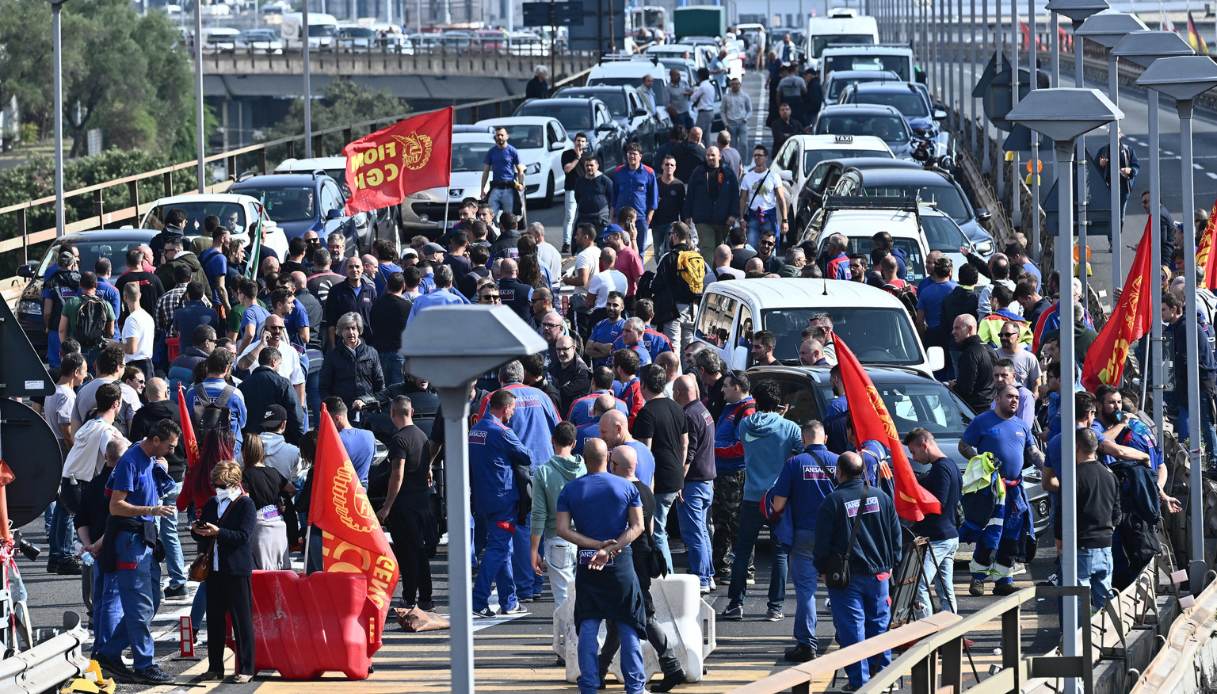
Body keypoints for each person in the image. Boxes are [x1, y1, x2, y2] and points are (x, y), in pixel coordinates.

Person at [555, 436, 646, 694]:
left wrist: (595, 546)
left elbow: (562, 529)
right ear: (608, 458)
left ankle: (589, 685)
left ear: (584, 460)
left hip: (588, 560)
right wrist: (610, 548)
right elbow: (638, 526)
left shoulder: (570, 490)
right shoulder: (627, 487)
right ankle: (635, 687)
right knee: (628, 622)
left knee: (588, 622)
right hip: (620, 561)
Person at [94, 419, 180, 684]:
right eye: (170, 446)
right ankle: (144, 664)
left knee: (151, 602)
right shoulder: (131, 461)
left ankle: (109, 653)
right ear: (155, 440)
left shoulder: (148, 459)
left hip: (145, 540)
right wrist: (151, 510)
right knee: (139, 606)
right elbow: (115, 506)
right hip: (131, 542)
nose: (172, 452)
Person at [597, 445, 688, 693]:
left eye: (611, 463)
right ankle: (599, 670)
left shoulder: (621, 491)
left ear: (616, 466)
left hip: (629, 560)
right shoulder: (646, 490)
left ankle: (672, 666)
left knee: (643, 615)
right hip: (644, 556)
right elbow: (650, 527)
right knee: (619, 618)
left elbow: (620, 528)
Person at [813, 451, 902, 690]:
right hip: (880, 574)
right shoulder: (882, 497)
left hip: (847, 578)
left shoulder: (833, 501)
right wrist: (893, 563)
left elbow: (821, 543)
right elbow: (896, 534)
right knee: (879, 626)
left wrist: (822, 568)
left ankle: (860, 683)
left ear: (839, 472)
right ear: (863, 471)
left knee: (852, 629)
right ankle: (883, 677)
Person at [722, 380, 801, 622]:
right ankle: (775, 607)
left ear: (756, 400)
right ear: (779, 403)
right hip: (779, 497)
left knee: (743, 551)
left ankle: (735, 604)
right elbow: (799, 454)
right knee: (780, 553)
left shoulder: (746, 424)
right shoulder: (790, 428)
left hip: (751, 496)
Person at [959, 384, 1043, 596]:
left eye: (1016, 397)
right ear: (997, 399)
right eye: (1009, 396)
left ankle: (1004, 580)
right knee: (990, 534)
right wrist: (981, 461)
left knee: (1012, 535)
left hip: (1015, 491)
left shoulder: (1022, 426)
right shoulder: (982, 421)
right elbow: (963, 446)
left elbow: (1033, 453)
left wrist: (1052, 469)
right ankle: (978, 579)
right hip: (991, 491)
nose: (1014, 400)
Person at [769, 420, 838, 662]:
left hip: (804, 534)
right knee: (838, 587)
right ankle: (846, 634)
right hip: (834, 536)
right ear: (825, 438)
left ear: (803, 439)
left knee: (806, 591)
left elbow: (778, 503)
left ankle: (807, 644)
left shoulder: (794, 463)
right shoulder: (840, 460)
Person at [192, 460, 256, 684]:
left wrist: (219, 532)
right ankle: (215, 667)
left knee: (242, 622)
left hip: (236, 569)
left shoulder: (245, 504)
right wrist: (197, 530)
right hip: (215, 569)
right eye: (215, 485)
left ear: (234, 483)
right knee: (215, 621)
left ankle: (247, 667)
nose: (217, 489)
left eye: (221, 485)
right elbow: (203, 534)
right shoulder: (212, 503)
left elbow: (243, 536)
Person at [470, 390, 532, 618]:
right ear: (505, 408)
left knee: (504, 547)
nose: (513, 413)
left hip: (482, 498)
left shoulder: (475, 430)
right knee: (498, 548)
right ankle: (478, 600)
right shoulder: (502, 432)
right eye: (512, 409)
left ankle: (509, 600)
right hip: (502, 498)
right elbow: (526, 456)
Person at [377, 396, 435, 609]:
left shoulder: (399, 440)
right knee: (419, 552)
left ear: (393, 413)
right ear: (412, 412)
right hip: (423, 503)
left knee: (407, 554)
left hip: (404, 506)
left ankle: (409, 598)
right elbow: (427, 464)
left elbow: (397, 474)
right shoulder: (422, 436)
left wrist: (387, 506)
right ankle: (426, 598)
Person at [633, 364, 688, 574]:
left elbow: (644, 453)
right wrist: (680, 472)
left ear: (643, 385)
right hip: (675, 476)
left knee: (656, 530)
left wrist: (643, 483)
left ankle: (667, 575)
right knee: (659, 527)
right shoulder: (677, 407)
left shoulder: (646, 413)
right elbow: (685, 443)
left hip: (658, 480)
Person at [1058, 427, 1120, 609]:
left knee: (1078, 602)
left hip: (1081, 545)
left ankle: (1080, 629)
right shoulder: (1110, 475)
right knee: (1105, 600)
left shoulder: (1072, 477)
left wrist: (1060, 542)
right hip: (1105, 545)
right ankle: (1107, 628)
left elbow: (1063, 513)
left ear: (1076, 446)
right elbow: (1117, 513)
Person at [904, 428, 962, 619]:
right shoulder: (951, 465)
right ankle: (951, 628)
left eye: (914, 452)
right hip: (949, 535)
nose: (914, 457)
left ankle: (927, 629)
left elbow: (938, 503)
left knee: (918, 585)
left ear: (924, 445)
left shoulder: (940, 469)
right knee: (945, 588)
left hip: (939, 538)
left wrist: (916, 491)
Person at [530, 422, 586, 612]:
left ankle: (569, 632)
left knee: (563, 602)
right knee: (583, 598)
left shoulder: (543, 472)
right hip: (585, 539)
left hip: (557, 539)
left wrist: (534, 549)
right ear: (574, 443)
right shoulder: (585, 469)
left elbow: (539, 514)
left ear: (552, 440)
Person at [1163, 292, 1217, 471]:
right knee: (1190, 418)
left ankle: (1213, 460)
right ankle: (1193, 453)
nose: (1161, 314)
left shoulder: (1185, 327)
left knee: (1205, 422)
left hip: (1201, 381)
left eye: (1163, 310)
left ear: (1174, 309)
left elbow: (1183, 359)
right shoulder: (1176, 327)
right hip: (1189, 381)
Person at [712, 371, 755, 581]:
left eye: (726, 386)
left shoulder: (746, 411)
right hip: (722, 473)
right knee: (721, 522)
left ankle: (745, 568)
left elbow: (741, 447)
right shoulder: (730, 407)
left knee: (736, 522)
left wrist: (713, 449)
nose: (722, 390)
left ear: (737, 387)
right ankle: (722, 566)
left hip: (734, 474)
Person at [238, 433, 294, 570]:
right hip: (278, 524)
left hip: (259, 527)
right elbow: (292, 489)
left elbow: (244, 500)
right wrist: (281, 500)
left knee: (261, 573)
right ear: (262, 451)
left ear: (244, 452)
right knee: (280, 571)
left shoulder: (244, 475)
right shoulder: (273, 472)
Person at [651, 223, 705, 351]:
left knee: (673, 348)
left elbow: (655, 285)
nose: (670, 237)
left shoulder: (668, 257)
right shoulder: (696, 258)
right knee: (689, 350)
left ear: (675, 235)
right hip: (693, 310)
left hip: (673, 311)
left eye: (671, 234)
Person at [319, 312, 384, 411]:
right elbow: (324, 387)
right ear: (341, 331)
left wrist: (366, 401)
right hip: (342, 411)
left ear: (359, 331)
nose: (351, 332)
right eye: (347, 328)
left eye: (353, 328)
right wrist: (335, 408)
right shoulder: (332, 356)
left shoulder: (371, 353)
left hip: (368, 408)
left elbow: (380, 385)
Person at [739, 146, 788, 251]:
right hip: (753, 216)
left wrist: (784, 220)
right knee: (751, 248)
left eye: (760, 155)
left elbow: (781, 199)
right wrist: (741, 218)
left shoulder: (774, 176)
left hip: (769, 216)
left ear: (766, 157)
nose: (757, 158)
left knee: (770, 247)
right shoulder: (747, 177)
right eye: (755, 155)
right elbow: (742, 198)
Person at [611, 144, 659, 252]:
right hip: (621, 218)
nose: (632, 156)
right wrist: (612, 217)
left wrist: (649, 217)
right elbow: (614, 197)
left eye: (634, 154)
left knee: (639, 250)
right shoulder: (618, 172)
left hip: (640, 218)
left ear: (640, 156)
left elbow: (654, 197)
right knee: (620, 249)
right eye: (629, 153)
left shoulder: (649, 172)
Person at [327, 397, 375, 488]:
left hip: (340, 491)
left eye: (325, 420)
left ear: (337, 418)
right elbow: (372, 461)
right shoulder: (369, 435)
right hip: (362, 490)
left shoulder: (334, 440)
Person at [951, 314, 996, 412]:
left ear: (970, 329)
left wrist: (952, 386)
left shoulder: (969, 353)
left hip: (975, 410)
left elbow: (965, 389)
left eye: (957, 328)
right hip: (992, 408)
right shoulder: (990, 349)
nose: (953, 332)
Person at [481, 126, 525, 217]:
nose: (500, 137)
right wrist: (482, 189)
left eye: (502, 135)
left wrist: (521, 184)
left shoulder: (512, 151)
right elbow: (485, 172)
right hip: (496, 188)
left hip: (508, 188)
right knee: (490, 215)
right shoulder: (491, 152)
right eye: (498, 135)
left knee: (508, 217)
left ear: (507, 136)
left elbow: (520, 170)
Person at [1094, 135, 1139, 222]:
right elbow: (1094, 168)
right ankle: (1111, 230)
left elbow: (1135, 166)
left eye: (1116, 132)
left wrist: (1130, 170)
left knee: (1120, 214)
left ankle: (1119, 228)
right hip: (1107, 187)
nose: (1113, 134)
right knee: (1109, 212)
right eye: (1111, 133)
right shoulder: (1103, 150)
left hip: (1123, 187)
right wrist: (1100, 165)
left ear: (1120, 135)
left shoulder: (1128, 150)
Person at [561, 133, 589, 253]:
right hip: (571, 189)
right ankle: (566, 242)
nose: (580, 143)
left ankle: (585, 241)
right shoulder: (567, 154)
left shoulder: (588, 156)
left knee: (585, 216)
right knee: (570, 217)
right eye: (578, 140)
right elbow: (567, 169)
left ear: (586, 143)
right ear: (574, 141)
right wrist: (577, 157)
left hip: (585, 190)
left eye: (582, 141)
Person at [721, 76, 753, 154]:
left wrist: (746, 118)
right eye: (733, 84)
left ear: (740, 85)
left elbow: (750, 110)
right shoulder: (726, 97)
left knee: (743, 144)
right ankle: (734, 160)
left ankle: (744, 161)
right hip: (731, 123)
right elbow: (722, 111)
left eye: (736, 84)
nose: (735, 86)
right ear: (730, 85)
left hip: (742, 122)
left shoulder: (745, 96)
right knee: (732, 145)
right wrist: (725, 123)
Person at [690, 67, 717, 136]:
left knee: (696, 134)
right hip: (710, 112)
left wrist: (693, 91)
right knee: (706, 135)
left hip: (704, 113)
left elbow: (692, 98)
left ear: (700, 76)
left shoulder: (702, 87)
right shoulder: (711, 86)